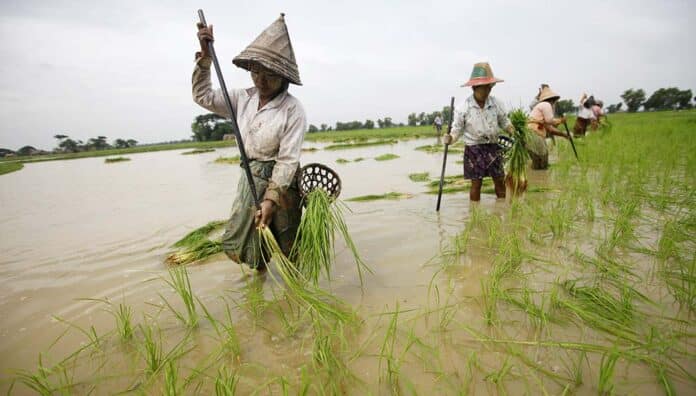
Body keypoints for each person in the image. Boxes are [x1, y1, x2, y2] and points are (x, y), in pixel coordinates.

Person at [193, 14, 307, 270]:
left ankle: (296, 289)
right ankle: (260, 277)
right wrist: (205, 58)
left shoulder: (292, 110)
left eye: (269, 75)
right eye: (256, 72)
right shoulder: (241, 99)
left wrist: (270, 199)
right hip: (251, 178)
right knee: (253, 240)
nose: (260, 80)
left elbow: (288, 160)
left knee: (289, 242)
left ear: (283, 76)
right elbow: (203, 96)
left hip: (282, 183)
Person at [443, 62, 515, 202]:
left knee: (500, 180)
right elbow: (456, 130)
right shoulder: (464, 107)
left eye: (490, 86)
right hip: (474, 148)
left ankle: (501, 210)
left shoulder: (496, 104)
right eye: (485, 87)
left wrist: (513, 130)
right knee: (476, 184)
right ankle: (475, 215)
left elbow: (504, 122)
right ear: (475, 87)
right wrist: (450, 139)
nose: (488, 90)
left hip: (493, 146)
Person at [526, 85, 569, 169]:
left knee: (539, 163)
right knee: (542, 162)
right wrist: (560, 120)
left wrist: (563, 135)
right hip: (534, 135)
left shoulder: (542, 107)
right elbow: (550, 121)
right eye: (555, 101)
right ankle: (539, 179)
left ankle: (535, 178)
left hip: (531, 135)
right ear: (552, 100)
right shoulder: (546, 105)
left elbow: (549, 128)